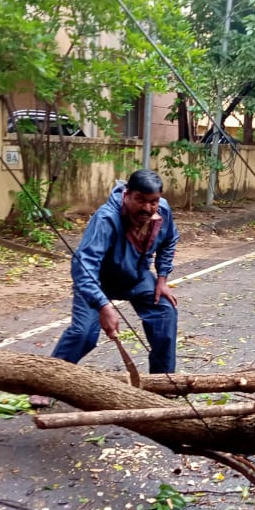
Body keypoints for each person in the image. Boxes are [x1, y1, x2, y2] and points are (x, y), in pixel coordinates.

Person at [35, 170, 179, 406]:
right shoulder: (106, 218)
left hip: (136, 276)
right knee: (83, 334)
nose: (147, 208)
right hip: (97, 280)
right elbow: (84, 265)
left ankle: (162, 383)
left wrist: (162, 279)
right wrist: (103, 304)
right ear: (127, 195)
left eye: (152, 201)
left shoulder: (162, 210)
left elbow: (170, 239)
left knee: (165, 311)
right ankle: (48, 384)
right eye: (140, 200)